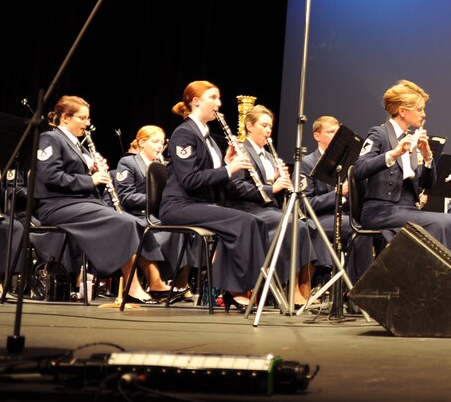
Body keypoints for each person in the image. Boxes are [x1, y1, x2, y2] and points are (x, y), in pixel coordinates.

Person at [34, 95, 161, 304]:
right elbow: (51, 176)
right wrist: (90, 180)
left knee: (136, 223)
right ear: (65, 118)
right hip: (57, 205)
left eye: (88, 118)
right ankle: (133, 287)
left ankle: (155, 281)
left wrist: (93, 170)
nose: (87, 123)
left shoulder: (77, 144)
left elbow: (76, 173)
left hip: (81, 203)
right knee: (124, 222)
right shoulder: (51, 138)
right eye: (82, 118)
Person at [159, 81, 268, 310]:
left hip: (200, 204)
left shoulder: (208, 137)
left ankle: (248, 287)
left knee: (256, 222)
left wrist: (227, 163)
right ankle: (236, 291)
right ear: (196, 101)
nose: (218, 103)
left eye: (218, 98)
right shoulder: (184, 134)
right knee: (243, 221)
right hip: (179, 205)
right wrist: (229, 169)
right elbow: (190, 180)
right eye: (213, 98)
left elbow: (211, 177)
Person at [352, 80, 451, 272]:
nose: (424, 114)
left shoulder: (412, 140)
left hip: (407, 210)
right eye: (420, 109)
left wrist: (428, 157)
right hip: (381, 212)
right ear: (403, 111)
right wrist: (393, 154)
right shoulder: (379, 134)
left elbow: (428, 184)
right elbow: (359, 169)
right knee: (438, 225)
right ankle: (435, 284)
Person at [224, 104, 328, 306]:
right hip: (245, 209)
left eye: (270, 126)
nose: (268, 131)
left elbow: (275, 193)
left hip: (267, 210)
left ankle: (301, 287)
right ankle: (290, 288)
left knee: (308, 227)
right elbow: (235, 187)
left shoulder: (270, 156)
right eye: (263, 126)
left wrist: (281, 182)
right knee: (294, 225)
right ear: (249, 126)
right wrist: (272, 188)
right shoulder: (240, 151)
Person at [114, 125, 192, 300]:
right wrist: (155, 199)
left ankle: (177, 282)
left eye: (162, 143)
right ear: (142, 143)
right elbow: (126, 197)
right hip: (137, 215)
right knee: (160, 230)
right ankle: (158, 283)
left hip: (159, 216)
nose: (159, 146)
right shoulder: (128, 163)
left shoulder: (164, 166)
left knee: (184, 230)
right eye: (155, 141)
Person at [299, 115, 375, 283]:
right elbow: (305, 204)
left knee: (376, 227)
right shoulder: (307, 163)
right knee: (359, 231)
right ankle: (360, 285)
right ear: (317, 136)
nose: (335, 136)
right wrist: (337, 194)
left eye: (337, 132)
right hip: (318, 219)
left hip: (345, 216)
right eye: (330, 132)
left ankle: (353, 284)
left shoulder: (347, 163)